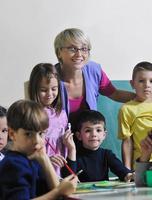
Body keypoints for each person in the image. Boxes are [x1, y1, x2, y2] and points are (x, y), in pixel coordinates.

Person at [54, 28, 135, 133]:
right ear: (59, 52)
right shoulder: (50, 76)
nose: (79, 54)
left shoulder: (94, 71)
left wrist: (144, 99)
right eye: (72, 49)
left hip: (89, 140)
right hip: (59, 141)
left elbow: (115, 94)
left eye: (84, 49)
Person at [0, 100, 78, 199]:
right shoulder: (13, 165)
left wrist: (44, 159)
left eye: (41, 133)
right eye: (28, 134)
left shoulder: (33, 158)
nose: (37, 141)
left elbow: (55, 192)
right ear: (12, 134)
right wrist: (59, 191)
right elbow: (57, 192)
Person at [61, 110, 134, 182]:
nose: (94, 134)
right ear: (79, 135)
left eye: (98, 130)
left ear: (104, 135)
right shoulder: (74, 156)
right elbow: (68, 180)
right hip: (81, 194)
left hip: (102, 193)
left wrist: (128, 175)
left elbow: (122, 171)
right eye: (88, 131)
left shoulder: (107, 155)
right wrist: (72, 150)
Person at [28, 63, 69, 176]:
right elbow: (26, 149)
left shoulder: (61, 114)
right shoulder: (30, 114)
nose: (50, 94)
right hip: (40, 172)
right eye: (43, 90)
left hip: (60, 172)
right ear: (34, 89)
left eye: (54, 89)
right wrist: (46, 159)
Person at [118, 61, 152, 170]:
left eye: (151, 81)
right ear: (132, 84)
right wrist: (126, 170)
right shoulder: (127, 109)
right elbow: (127, 142)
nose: (147, 85)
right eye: (141, 81)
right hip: (142, 164)